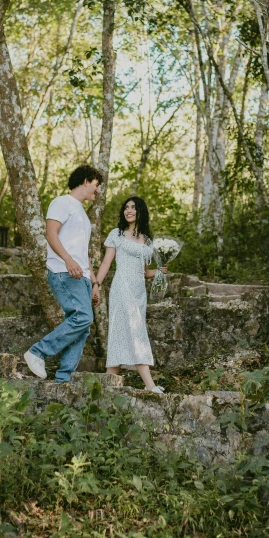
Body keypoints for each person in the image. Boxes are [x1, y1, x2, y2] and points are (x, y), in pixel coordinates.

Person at [23, 164, 103, 383]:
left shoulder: (83, 215)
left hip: (82, 277)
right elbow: (51, 234)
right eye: (96, 185)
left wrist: (94, 283)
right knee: (83, 318)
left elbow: (83, 252)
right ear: (86, 180)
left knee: (83, 327)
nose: (97, 191)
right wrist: (68, 260)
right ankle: (38, 352)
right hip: (64, 272)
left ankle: (63, 379)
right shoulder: (62, 202)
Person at [94, 196, 166, 393]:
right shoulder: (116, 234)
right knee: (137, 333)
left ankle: (107, 387)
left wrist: (159, 271)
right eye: (126, 207)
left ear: (140, 211)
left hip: (139, 291)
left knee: (120, 334)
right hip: (121, 288)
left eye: (133, 207)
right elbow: (107, 263)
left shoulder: (146, 239)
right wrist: (96, 284)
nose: (129, 210)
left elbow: (144, 272)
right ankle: (150, 385)